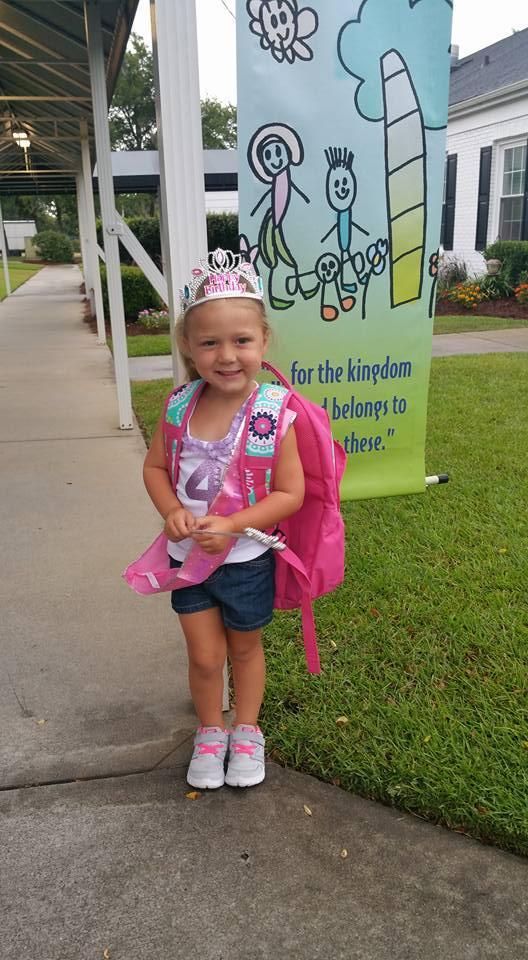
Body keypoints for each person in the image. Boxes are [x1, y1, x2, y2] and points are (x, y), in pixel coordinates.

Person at [142, 250, 305, 790]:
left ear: (264, 340)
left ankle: (247, 730)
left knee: (244, 648)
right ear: (188, 346)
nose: (227, 355)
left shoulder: (274, 412)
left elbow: (291, 493)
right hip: (188, 561)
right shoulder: (179, 406)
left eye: (241, 340)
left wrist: (234, 525)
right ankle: (211, 731)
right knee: (205, 655)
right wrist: (171, 510)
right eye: (210, 342)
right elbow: (155, 467)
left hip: (246, 562)